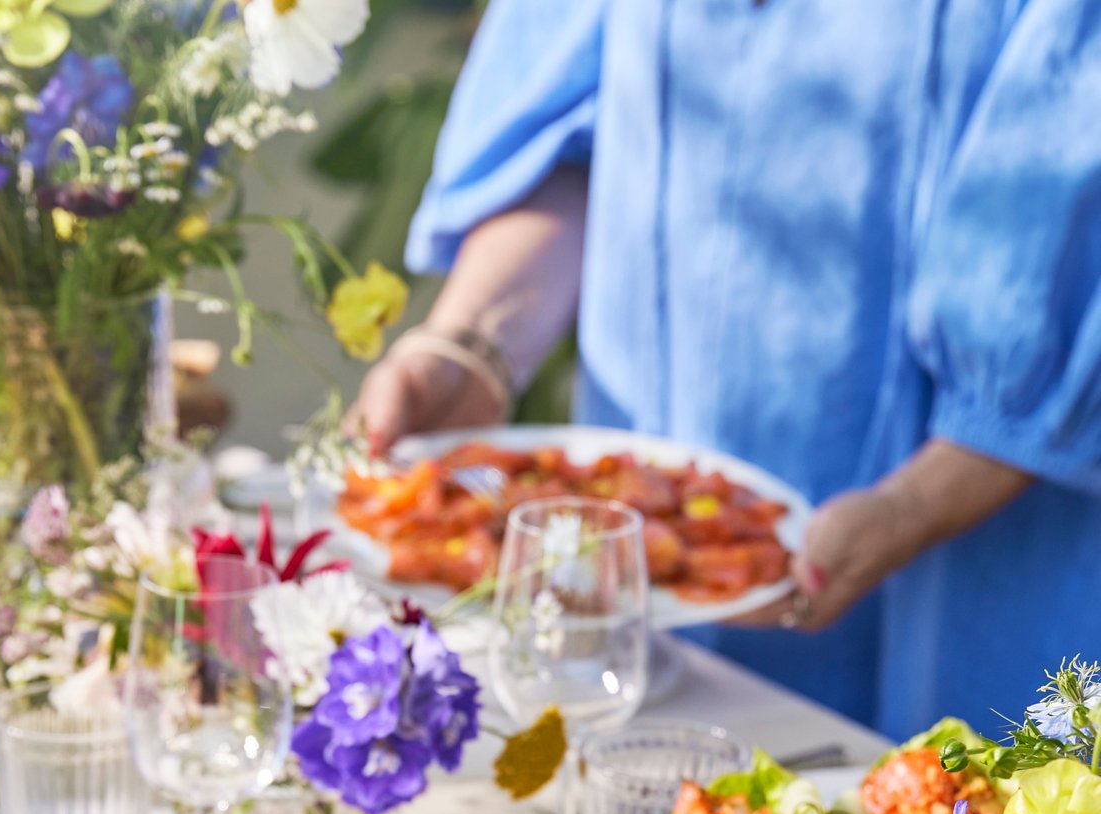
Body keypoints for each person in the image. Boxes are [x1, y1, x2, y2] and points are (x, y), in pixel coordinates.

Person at [354, 0, 1101, 737]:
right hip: (651, 548)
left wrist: (913, 511)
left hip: (990, 535)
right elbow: (568, 130)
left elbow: (1073, 226)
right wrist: (472, 348)